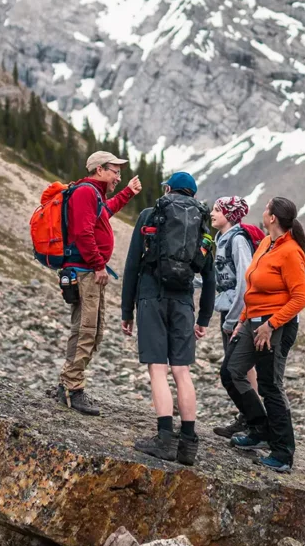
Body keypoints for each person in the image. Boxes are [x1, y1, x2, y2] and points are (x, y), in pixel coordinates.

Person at [121, 171, 216, 466]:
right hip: (184, 301)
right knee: (182, 371)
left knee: (158, 369)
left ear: (169, 189)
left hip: (152, 296)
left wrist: (127, 311)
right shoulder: (202, 223)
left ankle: (164, 438)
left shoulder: (152, 214)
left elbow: (132, 264)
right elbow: (209, 276)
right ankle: (188, 443)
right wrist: (203, 318)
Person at [221, 197, 305, 473]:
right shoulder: (265, 243)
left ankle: (283, 452)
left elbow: (300, 298)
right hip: (252, 322)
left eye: (266, 209)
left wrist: (271, 325)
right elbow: (252, 287)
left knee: (270, 385)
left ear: (273, 218)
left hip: (275, 326)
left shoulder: (291, 252)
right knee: (230, 372)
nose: (263, 212)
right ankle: (259, 428)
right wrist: (242, 320)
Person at [56, 151, 141, 416]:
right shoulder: (85, 193)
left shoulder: (94, 194)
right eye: (115, 171)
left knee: (90, 329)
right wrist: (98, 264)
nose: (118, 176)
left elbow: (105, 214)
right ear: (100, 170)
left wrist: (127, 192)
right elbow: (83, 232)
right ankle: (72, 389)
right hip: (85, 271)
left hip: (87, 271)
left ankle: (68, 383)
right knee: (87, 329)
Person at [209, 196, 260, 438]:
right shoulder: (222, 238)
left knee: (235, 368)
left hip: (238, 313)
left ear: (230, 214)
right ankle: (249, 417)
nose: (212, 213)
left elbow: (245, 280)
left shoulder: (238, 240)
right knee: (242, 368)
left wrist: (236, 318)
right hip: (229, 310)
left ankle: (254, 420)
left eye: (217, 210)